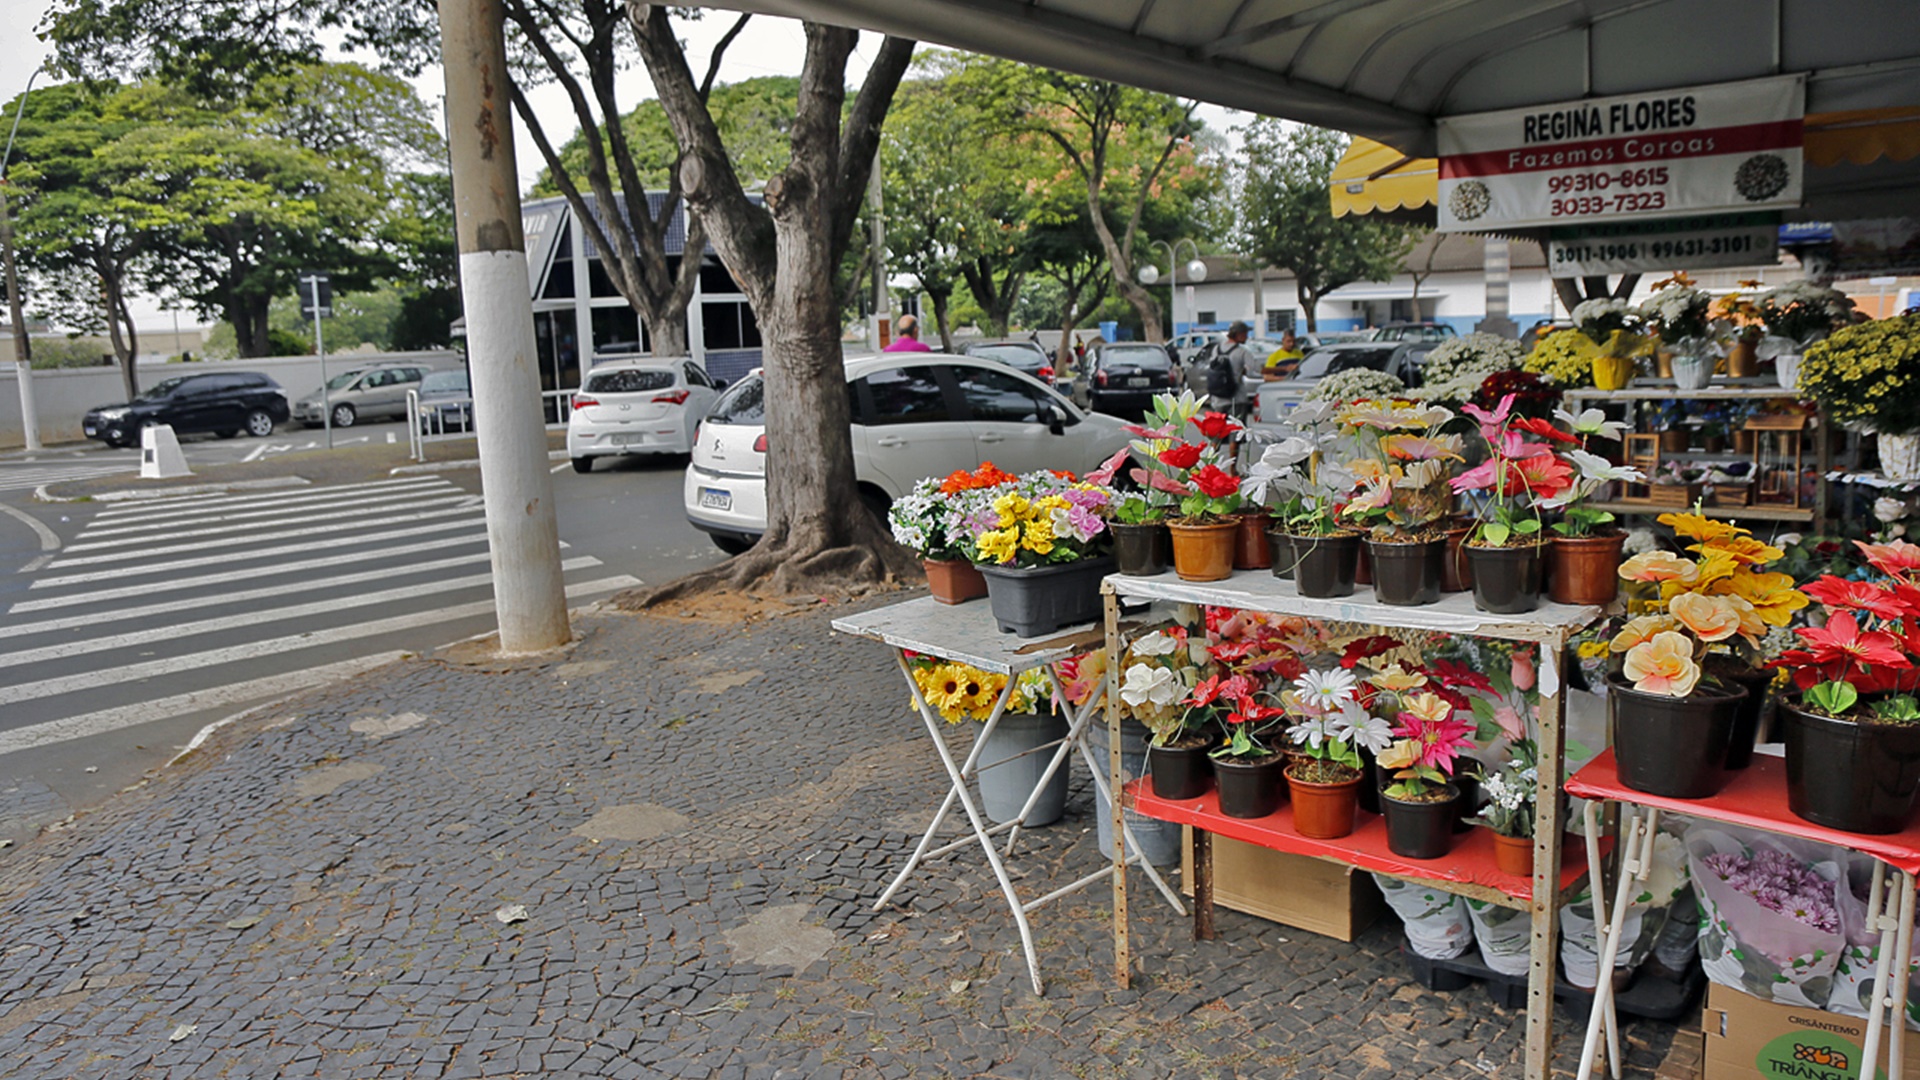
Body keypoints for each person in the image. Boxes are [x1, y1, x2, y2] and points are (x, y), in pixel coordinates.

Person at [1208, 320, 1257, 419]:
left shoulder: (1216, 349)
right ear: (1239, 334)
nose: (1247, 337)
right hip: (1237, 399)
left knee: (1220, 432)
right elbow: (1253, 372)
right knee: (1237, 431)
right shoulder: (1243, 352)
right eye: (1245, 334)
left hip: (1218, 400)